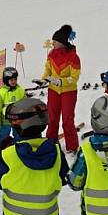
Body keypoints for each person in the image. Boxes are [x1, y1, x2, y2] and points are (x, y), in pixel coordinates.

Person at [37, 24, 81, 155]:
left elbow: (74, 78)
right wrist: (44, 79)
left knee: (67, 119)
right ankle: (51, 143)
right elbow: (47, 70)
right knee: (52, 118)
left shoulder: (74, 57)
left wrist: (61, 81)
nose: (53, 44)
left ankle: (72, 146)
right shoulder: (51, 54)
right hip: (53, 91)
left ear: (62, 42)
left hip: (68, 92)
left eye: (55, 42)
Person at [0, 67, 25, 143]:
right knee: (4, 136)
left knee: (18, 135)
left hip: (18, 119)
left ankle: (17, 147)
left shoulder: (20, 90)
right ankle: (0, 148)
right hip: (5, 120)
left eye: (15, 79)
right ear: (6, 81)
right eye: (11, 80)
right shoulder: (2, 92)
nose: (14, 81)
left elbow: (25, 103)